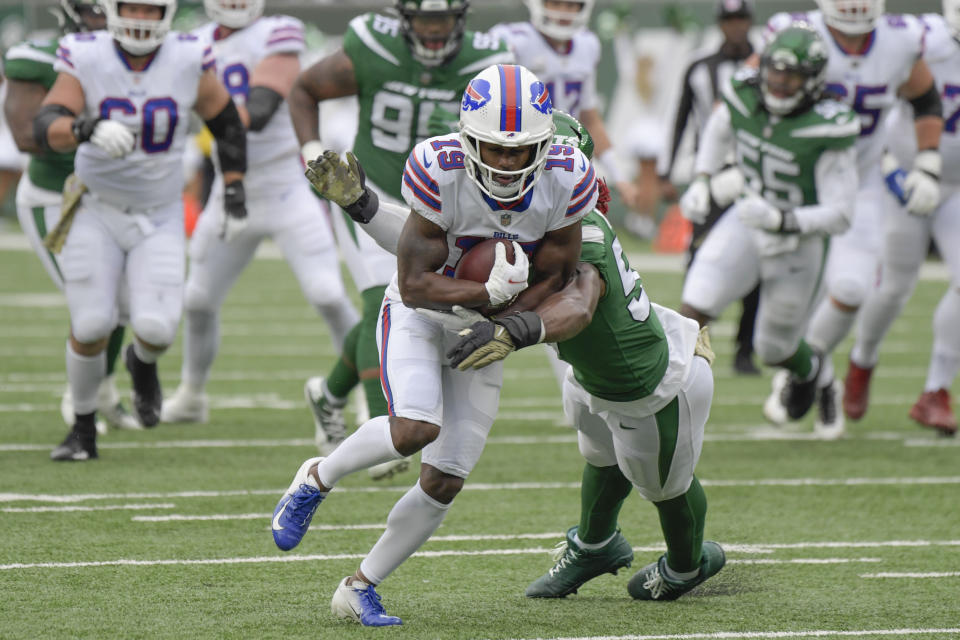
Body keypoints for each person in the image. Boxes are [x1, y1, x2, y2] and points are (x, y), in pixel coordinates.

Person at [272, 63, 597, 626]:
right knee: (414, 428)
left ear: (546, 148)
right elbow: (415, 279)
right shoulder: (437, 167)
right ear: (468, 140)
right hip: (422, 313)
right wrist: (482, 290)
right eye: (494, 149)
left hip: (488, 326)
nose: (506, 162)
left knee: (445, 479)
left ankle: (359, 586)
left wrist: (504, 323)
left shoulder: (567, 178)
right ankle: (316, 477)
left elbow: (557, 276)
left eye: (521, 151)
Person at [289, 0, 512, 479]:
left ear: (461, 19)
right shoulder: (373, 46)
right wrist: (310, 150)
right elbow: (304, 88)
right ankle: (382, 429)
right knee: (380, 303)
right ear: (404, 20)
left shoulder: (486, 62)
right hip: (371, 193)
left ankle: (328, 394)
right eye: (425, 19)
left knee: (396, 306)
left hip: (441, 203)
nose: (434, 31)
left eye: (443, 19)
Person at [35, 0, 247, 460]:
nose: (140, 18)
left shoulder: (189, 55)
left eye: (151, 9)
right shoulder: (85, 53)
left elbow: (226, 121)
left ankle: (141, 361)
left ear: (167, 12)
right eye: (131, 7)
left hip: (161, 212)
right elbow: (46, 124)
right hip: (96, 206)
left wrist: (233, 186)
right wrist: (84, 126)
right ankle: (82, 427)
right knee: (91, 322)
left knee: (157, 329)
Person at [159, 0, 359, 424]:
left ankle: (362, 387)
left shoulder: (279, 31)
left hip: (286, 188)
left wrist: (211, 118)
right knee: (197, 300)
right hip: (230, 190)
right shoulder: (190, 42)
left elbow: (263, 107)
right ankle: (192, 394)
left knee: (327, 293)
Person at [762, 0, 944, 439]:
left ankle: (806, 369)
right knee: (775, 311)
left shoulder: (899, 41)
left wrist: (928, 164)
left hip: (859, 185)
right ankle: (818, 377)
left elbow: (926, 98)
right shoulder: (795, 30)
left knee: (850, 288)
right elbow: (749, 89)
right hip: (791, 182)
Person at [680, 25, 859, 434]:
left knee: (773, 349)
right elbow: (719, 127)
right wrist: (704, 178)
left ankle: (814, 370)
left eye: (791, 76)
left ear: (811, 81)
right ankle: (667, 397)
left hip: (798, 240)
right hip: (748, 220)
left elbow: (842, 214)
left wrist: (784, 219)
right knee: (694, 304)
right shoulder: (744, 94)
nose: (779, 84)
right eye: (775, 73)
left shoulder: (826, 128)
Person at [5, 0, 140, 434]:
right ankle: (79, 396)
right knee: (94, 305)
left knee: (125, 305)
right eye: (100, 11)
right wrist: (85, 128)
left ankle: (100, 389)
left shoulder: (146, 59)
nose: (111, 20)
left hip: (114, 197)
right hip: (56, 199)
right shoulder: (40, 59)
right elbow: (26, 135)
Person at [842, 5, 960, 436]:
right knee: (894, 287)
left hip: (956, 188)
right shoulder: (920, 39)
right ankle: (862, 362)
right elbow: (873, 107)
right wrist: (890, 168)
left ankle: (935, 391)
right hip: (906, 177)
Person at [660, 0, 762, 376]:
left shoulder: (770, 66)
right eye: (728, 20)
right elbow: (682, 119)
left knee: (757, 263)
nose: (735, 27)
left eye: (740, 19)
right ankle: (697, 339)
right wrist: (668, 170)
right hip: (712, 176)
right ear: (720, 24)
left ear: (749, 21)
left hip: (756, 177)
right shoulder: (701, 67)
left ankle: (745, 350)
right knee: (698, 257)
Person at [489, 0, 639, 219]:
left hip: (565, 157)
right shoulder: (512, 40)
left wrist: (619, 176)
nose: (564, 12)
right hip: (521, 155)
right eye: (556, 3)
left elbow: (590, 118)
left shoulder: (587, 44)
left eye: (571, 5)